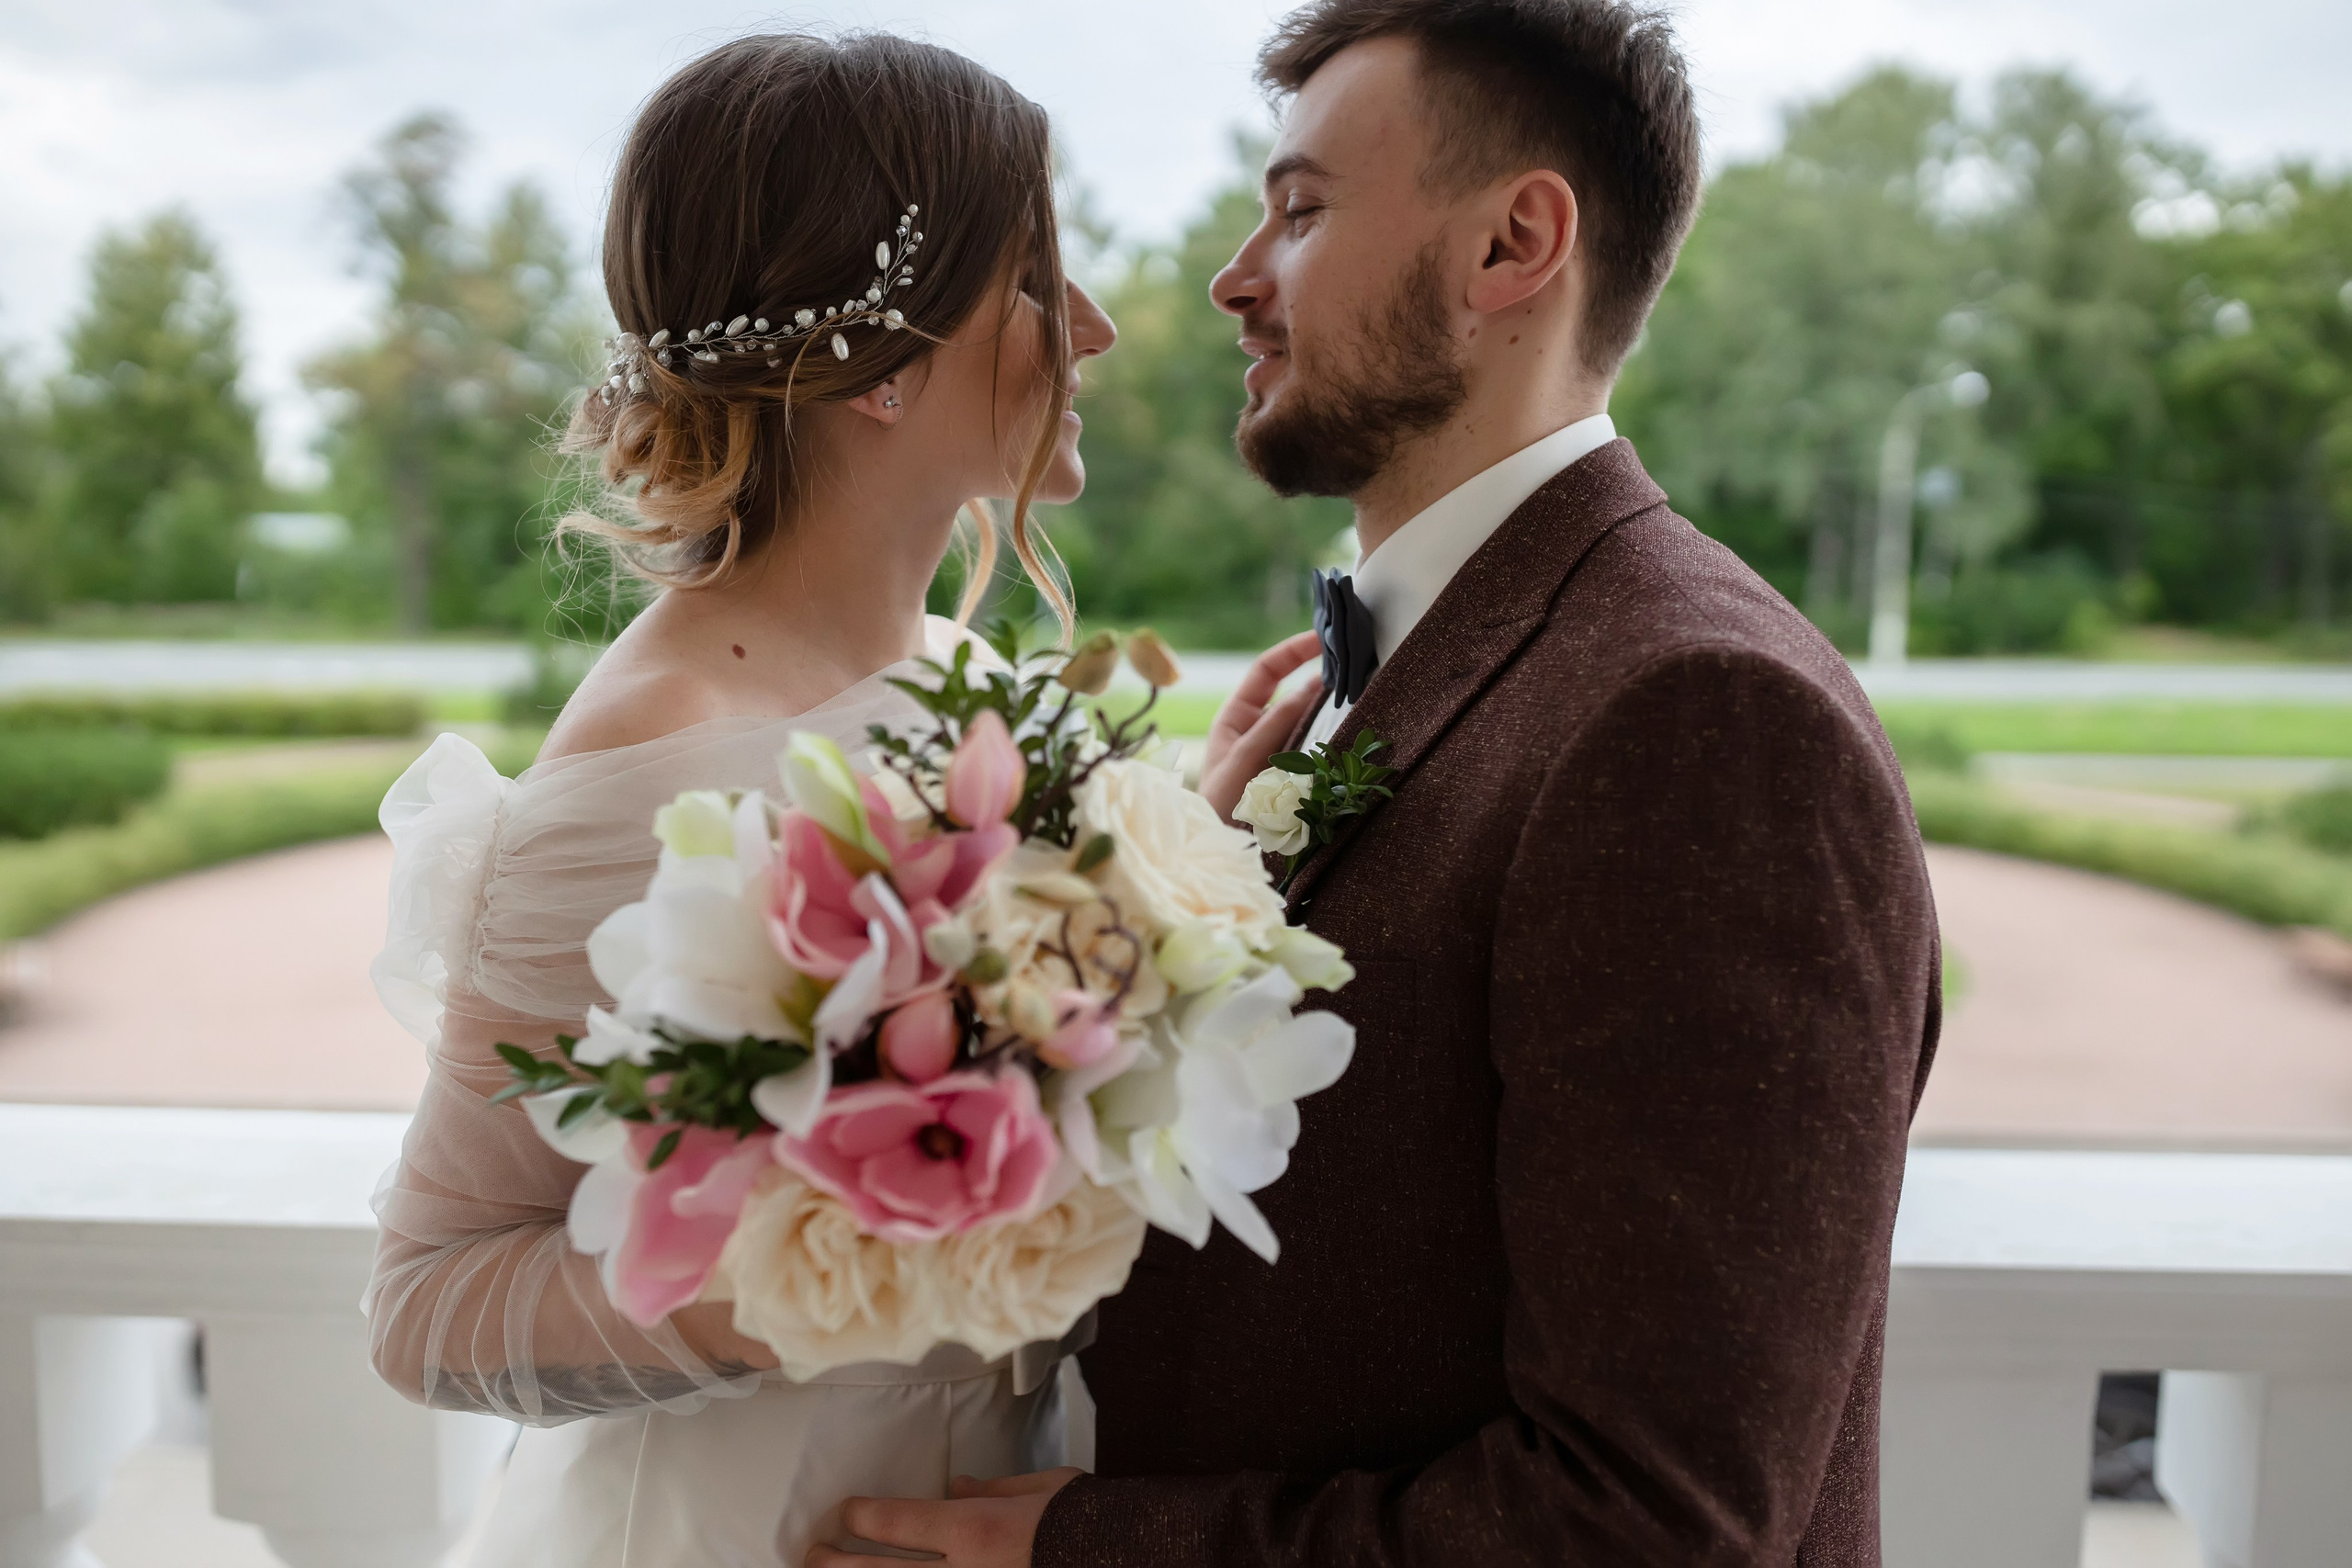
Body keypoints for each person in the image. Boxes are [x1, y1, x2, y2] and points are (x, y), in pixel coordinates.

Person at [821, 2, 1940, 1564]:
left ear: (1513, 246)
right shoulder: (1427, 659)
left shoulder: (1703, 720)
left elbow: (1648, 1526)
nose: (1230, 279)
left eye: (1300, 210)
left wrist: (1083, 1548)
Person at [362, 31, 1115, 1566]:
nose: (1090, 329)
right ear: (882, 368)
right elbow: (427, 1304)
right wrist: (824, 1277)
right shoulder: (656, 756)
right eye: (1036, 282)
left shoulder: (979, 681)